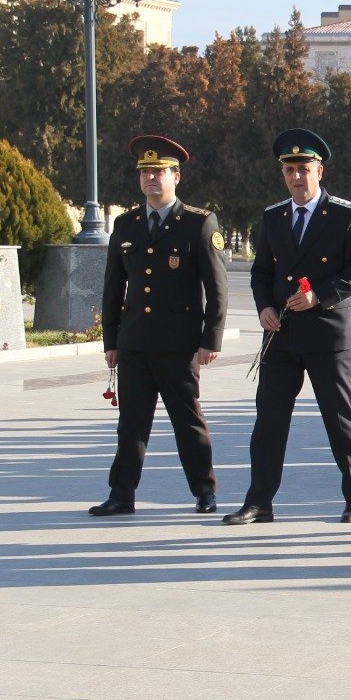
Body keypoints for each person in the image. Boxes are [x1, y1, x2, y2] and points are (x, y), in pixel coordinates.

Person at [227, 128, 351, 525]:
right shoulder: (274, 217)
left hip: (326, 334)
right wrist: (263, 308)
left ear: (319, 170)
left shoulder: (346, 214)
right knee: (269, 421)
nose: (296, 177)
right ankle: (259, 501)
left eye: (303, 169)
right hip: (281, 335)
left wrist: (320, 295)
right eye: (290, 169)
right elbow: (261, 273)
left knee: (339, 419)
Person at [90, 134, 228, 517]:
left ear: (176, 177)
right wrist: (111, 340)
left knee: (188, 422)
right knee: (131, 425)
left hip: (178, 344)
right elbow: (113, 286)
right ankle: (122, 494)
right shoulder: (127, 223)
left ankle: (204, 491)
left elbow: (217, 289)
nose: (152, 178)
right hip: (134, 342)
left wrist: (210, 338)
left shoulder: (199, 223)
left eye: (160, 172)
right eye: (146, 172)